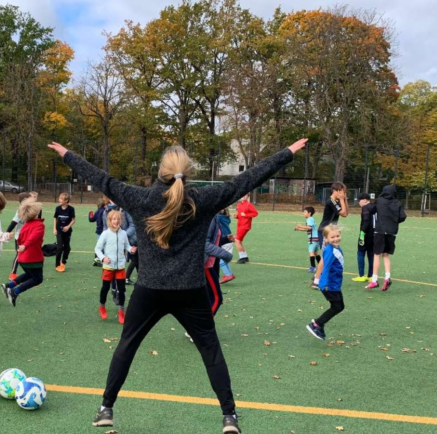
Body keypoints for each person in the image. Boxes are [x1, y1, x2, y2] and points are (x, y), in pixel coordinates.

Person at [48, 137, 307, 434]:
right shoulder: (202, 199)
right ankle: (229, 417)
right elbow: (245, 180)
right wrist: (286, 154)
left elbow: (102, 179)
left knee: (126, 346)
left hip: (150, 290)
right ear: (189, 171)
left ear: (160, 171)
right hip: (191, 291)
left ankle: (106, 408)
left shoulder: (142, 198)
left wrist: (68, 154)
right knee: (211, 351)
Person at [95, 210, 136, 324]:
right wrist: (103, 258)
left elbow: (127, 245)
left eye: (118, 219)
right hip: (108, 267)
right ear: (109, 221)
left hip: (120, 267)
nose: (116, 221)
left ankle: (121, 311)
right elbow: (97, 249)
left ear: (121, 221)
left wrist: (130, 249)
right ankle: (102, 306)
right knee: (105, 288)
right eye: (114, 219)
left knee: (122, 290)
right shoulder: (105, 234)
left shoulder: (123, 233)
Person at [3, 199, 45, 307]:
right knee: (37, 279)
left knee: (29, 274)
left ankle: (9, 285)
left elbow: (21, 238)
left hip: (23, 258)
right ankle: (15, 292)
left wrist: (23, 246)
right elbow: (33, 237)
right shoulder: (39, 225)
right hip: (32, 257)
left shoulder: (25, 225)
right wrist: (26, 246)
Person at [306, 225, 345, 340]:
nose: (336, 238)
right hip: (330, 285)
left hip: (335, 283)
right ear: (326, 239)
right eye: (332, 237)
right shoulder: (330, 250)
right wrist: (322, 283)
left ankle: (318, 324)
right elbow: (326, 266)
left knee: (340, 306)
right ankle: (317, 324)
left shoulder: (335, 248)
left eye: (338, 235)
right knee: (337, 307)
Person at [365, 185, 407, 291]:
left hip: (380, 231)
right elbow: (403, 216)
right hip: (392, 232)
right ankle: (387, 277)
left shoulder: (379, 201)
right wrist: (394, 221)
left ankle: (374, 280)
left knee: (376, 255)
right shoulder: (397, 203)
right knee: (386, 255)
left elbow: (372, 210)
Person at [312, 183, 348, 289]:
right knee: (325, 256)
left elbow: (346, 212)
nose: (343, 193)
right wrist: (342, 200)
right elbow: (343, 213)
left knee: (327, 255)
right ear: (335, 191)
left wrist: (344, 199)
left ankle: (316, 276)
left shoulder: (337, 201)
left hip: (331, 231)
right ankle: (316, 281)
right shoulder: (331, 201)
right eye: (341, 191)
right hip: (326, 231)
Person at [7, 192, 33, 279]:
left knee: (29, 255)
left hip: (30, 237)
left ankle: (30, 273)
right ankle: (13, 273)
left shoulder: (33, 210)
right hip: (20, 237)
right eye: (30, 198)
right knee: (19, 254)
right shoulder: (20, 211)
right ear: (24, 201)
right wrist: (6, 233)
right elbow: (13, 223)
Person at [352, 193, 376, 282]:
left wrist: (362, 234)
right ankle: (371, 276)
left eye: (359, 200)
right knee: (371, 254)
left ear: (365, 200)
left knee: (361, 252)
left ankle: (361, 275)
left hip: (366, 234)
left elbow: (366, 221)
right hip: (375, 234)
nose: (359, 203)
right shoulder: (374, 207)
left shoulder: (366, 208)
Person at [293, 206, 320, 273]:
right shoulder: (311, 219)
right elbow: (308, 229)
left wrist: (300, 226)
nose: (303, 213)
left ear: (309, 213)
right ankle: (322, 265)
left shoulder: (309, 219)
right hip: (316, 239)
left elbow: (309, 228)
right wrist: (298, 229)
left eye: (305, 212)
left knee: (311, 253)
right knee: (316, 253)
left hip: (312, 239)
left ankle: (313, 267)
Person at [53, 192, 76, 272]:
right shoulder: (58, 208)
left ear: (66, 200)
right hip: (59, 230)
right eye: (59, 198)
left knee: (67, 248)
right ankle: (57, 264)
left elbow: (73, 220)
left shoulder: (71, 209)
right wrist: (54, 229)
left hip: (67, 231)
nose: (59, 200)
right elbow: (55, 218)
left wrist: (68, 226)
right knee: (59, 247)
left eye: (61, 199)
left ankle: (63, 262)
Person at [234, 195, 258, 263]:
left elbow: (255, 213)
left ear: (248, 196)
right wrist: (237, 216)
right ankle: (245, 257)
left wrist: (246, 215)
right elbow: (240, 215)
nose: (244, 196)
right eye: (243, 195)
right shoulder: (239, 204)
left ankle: (242, 257)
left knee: (237, 240)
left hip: (245, 226)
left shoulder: (248, 204)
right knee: (239, 241)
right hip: (239, 225)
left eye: (245, 195)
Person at [217, 209, 236, 284]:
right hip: (229, 239)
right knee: (223, 258)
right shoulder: (226, 217)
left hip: (224, 239)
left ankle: (228, 275)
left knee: (219, 259)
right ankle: (229, 274)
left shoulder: (218, 217)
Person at [89, 195, 108, 266]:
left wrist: (90, 213)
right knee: (103, 245)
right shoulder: (105, 211)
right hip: (104, 231)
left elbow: (91, 219)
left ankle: (97, 259)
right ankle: (99, 259)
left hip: (98, 231)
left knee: (99, 245)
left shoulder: (97, 212)